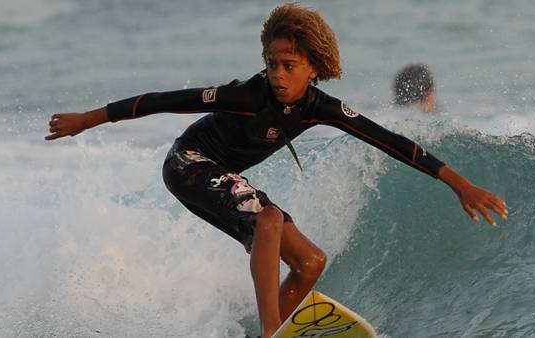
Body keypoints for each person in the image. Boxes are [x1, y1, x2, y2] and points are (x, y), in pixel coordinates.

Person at [45, 3, 507, 336]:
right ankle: (271, 334)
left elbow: (389, 141)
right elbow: (167, 100)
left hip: (224, 174)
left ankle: (275, 329)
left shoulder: (320, 108)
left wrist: (459, 184)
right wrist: (88, 119)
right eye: (271, 64)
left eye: (289, 66)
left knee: (311, 262)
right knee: (267, 218)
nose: (279, 75)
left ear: (314, 68)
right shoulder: (247, 96)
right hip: (188, 164)